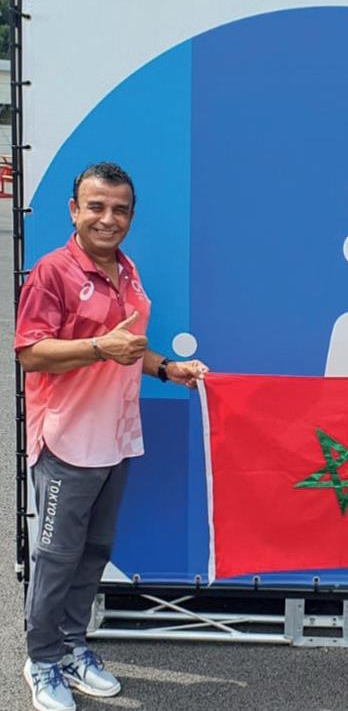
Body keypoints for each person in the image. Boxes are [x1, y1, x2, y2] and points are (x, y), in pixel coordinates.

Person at [14, 162, 208, 711]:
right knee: (57, 556)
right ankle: (42, 660)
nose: (108, 218)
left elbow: (130, 345)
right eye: (96, 206)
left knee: (95, 550)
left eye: (120, 209)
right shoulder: (53, 272)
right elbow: (30, 353)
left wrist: (168, 367)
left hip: (116, 436)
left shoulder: (127, 270)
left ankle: (74, 647)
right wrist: (99, 347)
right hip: (67, 440)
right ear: (74, 211)